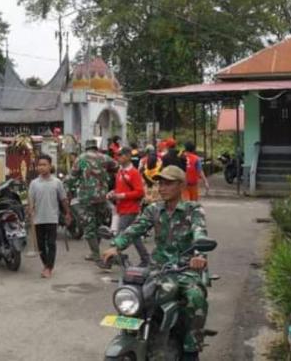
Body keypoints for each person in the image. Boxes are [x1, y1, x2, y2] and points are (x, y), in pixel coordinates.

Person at [102, 165, 210, 361]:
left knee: (195, 296)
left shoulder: (193, 209)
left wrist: (199, 255)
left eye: (168, 183)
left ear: (181, 186)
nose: (162, 187)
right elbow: (135, 229)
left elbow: (200, 232)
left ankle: (191, 345)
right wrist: (116, 246)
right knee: (135, 292)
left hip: (185, 267)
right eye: (160, 183)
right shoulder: (153, 209)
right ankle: (135, 334)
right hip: (158, 267)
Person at [71, 139, 117, 263]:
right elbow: (116, 166)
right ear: (96, 147)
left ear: (86, 147)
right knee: (98, 223)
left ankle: (95, 253)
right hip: (102, 196)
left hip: (87, 197)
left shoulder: (80, 158)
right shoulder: (105, 158)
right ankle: (96, 251)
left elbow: (73, 175)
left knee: (89, 225)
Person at [28, 154, 72, 278]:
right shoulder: (34, 183)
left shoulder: (57, 182)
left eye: (44, 165)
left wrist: (67, 213)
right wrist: (30, 209)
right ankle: (46, 264)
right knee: (41, 245)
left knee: (51, 243)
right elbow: (31, 200)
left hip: (52, 218)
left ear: (50, 166)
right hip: (38, 219)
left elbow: (63, 199)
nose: (41, 167)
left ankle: (49, 267)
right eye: (39, 165)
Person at [107, 147, 151, 266]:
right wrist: (113, 193)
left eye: (121, 155)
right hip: (122, 208)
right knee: (134, 236)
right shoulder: (121, 172)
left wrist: (121, 195)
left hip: (130, 209)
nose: (118, 158)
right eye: (118, 155)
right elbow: (119, 188)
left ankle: (111, 259)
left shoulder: (134, 173)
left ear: (128, 156)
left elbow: (140, 192)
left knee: (121, 235)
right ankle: (145, 259)